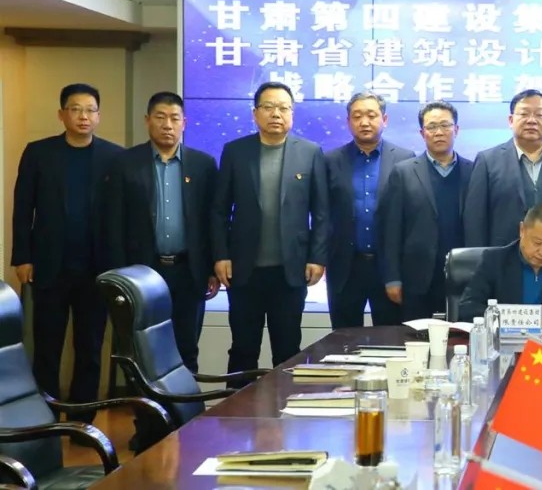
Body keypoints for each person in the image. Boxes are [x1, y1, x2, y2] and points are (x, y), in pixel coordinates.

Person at [11, 83, 123, 422]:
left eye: (90, 110)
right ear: (62, 114)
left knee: (90, 347)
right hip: (49, 265)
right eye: (76, 109)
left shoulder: (114, 157)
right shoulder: (39, 153)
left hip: (96, 268)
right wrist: (22, 256)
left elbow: (120, 214)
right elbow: (22, 208)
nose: (83, 116)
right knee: (46, 346)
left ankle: (82, 418)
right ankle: (43, 417)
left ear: (98, 116)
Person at [211, 82, 329, 381]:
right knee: (243, 348)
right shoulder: (235, 151)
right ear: (255, 113)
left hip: (290, 272)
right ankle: (237, 406)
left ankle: (284, 406)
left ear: (292, 113)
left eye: (283, 108)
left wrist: (317, 257)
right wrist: (221, 255)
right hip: (244, 271)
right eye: (268, 107)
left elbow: (322, 212)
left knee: (287, 350)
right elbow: (219, 210)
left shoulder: (310, 152)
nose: (276, 114)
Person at [103, 91, 219, 373]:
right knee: (143, 351)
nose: (168, 125)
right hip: (142, 271)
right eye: (160, 117)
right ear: (147, 121)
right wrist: (119, 274)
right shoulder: (124, 164)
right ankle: (146, 403)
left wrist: (212, 268)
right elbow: (113, 222)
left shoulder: (203, 165)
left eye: (175, 118)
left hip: (188, 271)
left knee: (186, 348)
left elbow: (212, 221)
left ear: (184, 123)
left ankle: (185, 402)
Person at [377, 101, 473, 322]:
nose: (439, 132)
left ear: (456, 129)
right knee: (416, 338)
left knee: (461, 337)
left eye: (445, 125)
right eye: (431, 127)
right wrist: (392, 278)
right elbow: (391, 230)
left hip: (464, 276)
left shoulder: (474, 170)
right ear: (422, 133)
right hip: (417, 278)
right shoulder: (403, 172)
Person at [326, 92, 415, 327]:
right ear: (348, 122)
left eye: (371, 115)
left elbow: (410, 216)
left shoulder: (405, 159)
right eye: (357, 116)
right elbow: (322, 214)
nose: (364, 122)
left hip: (388, 268)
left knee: (390, 338)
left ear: (384, 119)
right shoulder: (330, 160)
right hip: (345, 266)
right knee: (343, 339)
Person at [464, 89, 542, 258]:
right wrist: (479, 263)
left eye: (539, 115)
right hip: (502, 260)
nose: (531, 120)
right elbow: (475, 220)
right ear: (511, 120)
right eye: (524, 114)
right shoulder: (488, 160)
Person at [458, 203, 542, 325]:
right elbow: (467, 308)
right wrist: (519, 320)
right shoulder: (494, 261)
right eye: (537, 243)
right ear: (522, 230)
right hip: (503, 338)